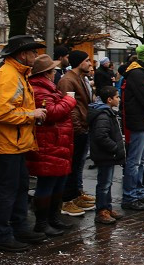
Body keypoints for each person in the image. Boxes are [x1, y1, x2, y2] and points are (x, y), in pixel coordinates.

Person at [0, 35, 48, 252]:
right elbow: (2, 112)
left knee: (18, 186)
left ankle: (18, 227)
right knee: (8, 189)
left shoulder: (16, 73)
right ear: (22, 54)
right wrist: (32, 114)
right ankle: (2, 235)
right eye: (33, 53)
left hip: (15, 141)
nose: (36, 56)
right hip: (8, 142)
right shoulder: (10, 75)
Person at [26, 54, 78, 238]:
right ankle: (42, 223)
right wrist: (69, 101)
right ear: (47, 73)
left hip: (58, 141)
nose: (55, 73)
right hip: (49, 142)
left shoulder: (48, 87)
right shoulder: (39, 89)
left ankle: (53, 219)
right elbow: (52, 113)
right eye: (53, 71)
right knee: (47, 183)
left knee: (57, 183)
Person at [57, 50, 96, 217]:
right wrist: (78, 126)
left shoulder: (79, 78)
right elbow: (69, 107)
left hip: (83, 125)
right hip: (76, 128)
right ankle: (67, 200)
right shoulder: (68, 80)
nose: (90, 64)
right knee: (72, 165)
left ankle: (75, 194)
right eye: (87, 61)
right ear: (79, 62)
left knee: (78, 164)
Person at [120, 45, 144, 211]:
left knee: (141, 161)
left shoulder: (138, 72)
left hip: (142, 120)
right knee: (135, 161)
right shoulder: (137, 74)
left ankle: (138, 192)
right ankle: (131, 195)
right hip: (139, 121)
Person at [88, 86, 125, 225]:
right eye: (117, 97)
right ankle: (102, 210)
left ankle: (107, 208)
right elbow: (101, 136)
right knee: (104, 183)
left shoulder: (108, 112)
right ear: (109, 100)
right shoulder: (103, 115)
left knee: (107, 182)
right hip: (105, 155)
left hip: (108, 154)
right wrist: (115, 148)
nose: (119, 99)